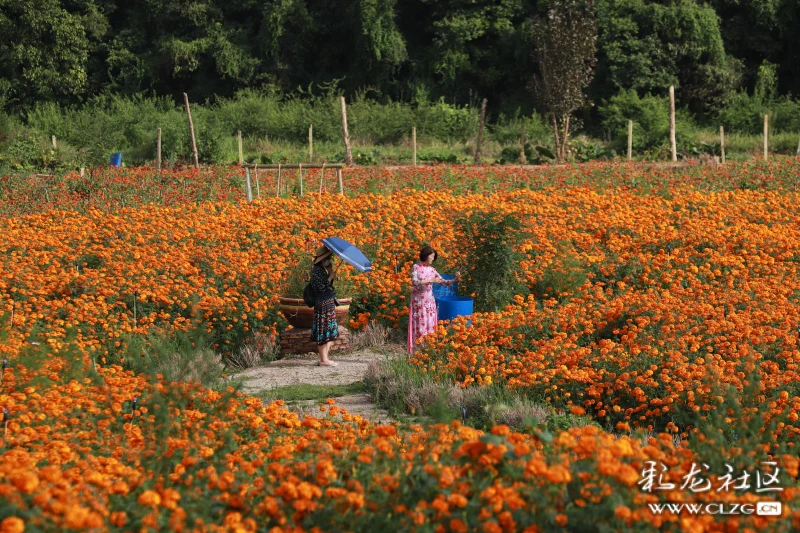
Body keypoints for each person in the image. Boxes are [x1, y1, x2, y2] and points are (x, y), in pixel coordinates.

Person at [408, 245, 461, 355]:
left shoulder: (432, 270)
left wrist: (456, 279)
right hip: (419, 300)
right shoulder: (416, 267)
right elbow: (415, 282)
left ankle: (429, 347)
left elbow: (444, 282)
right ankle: (418, 348)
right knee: (420, 322)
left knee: (430, 322)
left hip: (429, 300)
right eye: (431, 256)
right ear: (426, 256)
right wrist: (431, 280)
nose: (433, 259)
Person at [310, 245, 339, 366]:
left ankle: (325, 358)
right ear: (323, 258)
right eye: (328, 257)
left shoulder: (322, 269)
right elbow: (321, 287)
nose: (330, 258)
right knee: (323, 331)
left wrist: (330, 272)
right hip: (322, 304)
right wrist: (331, 276)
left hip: (327, 303)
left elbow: (326, 285)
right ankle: (324, 360)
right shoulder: (316, 271)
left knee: (328, 330)